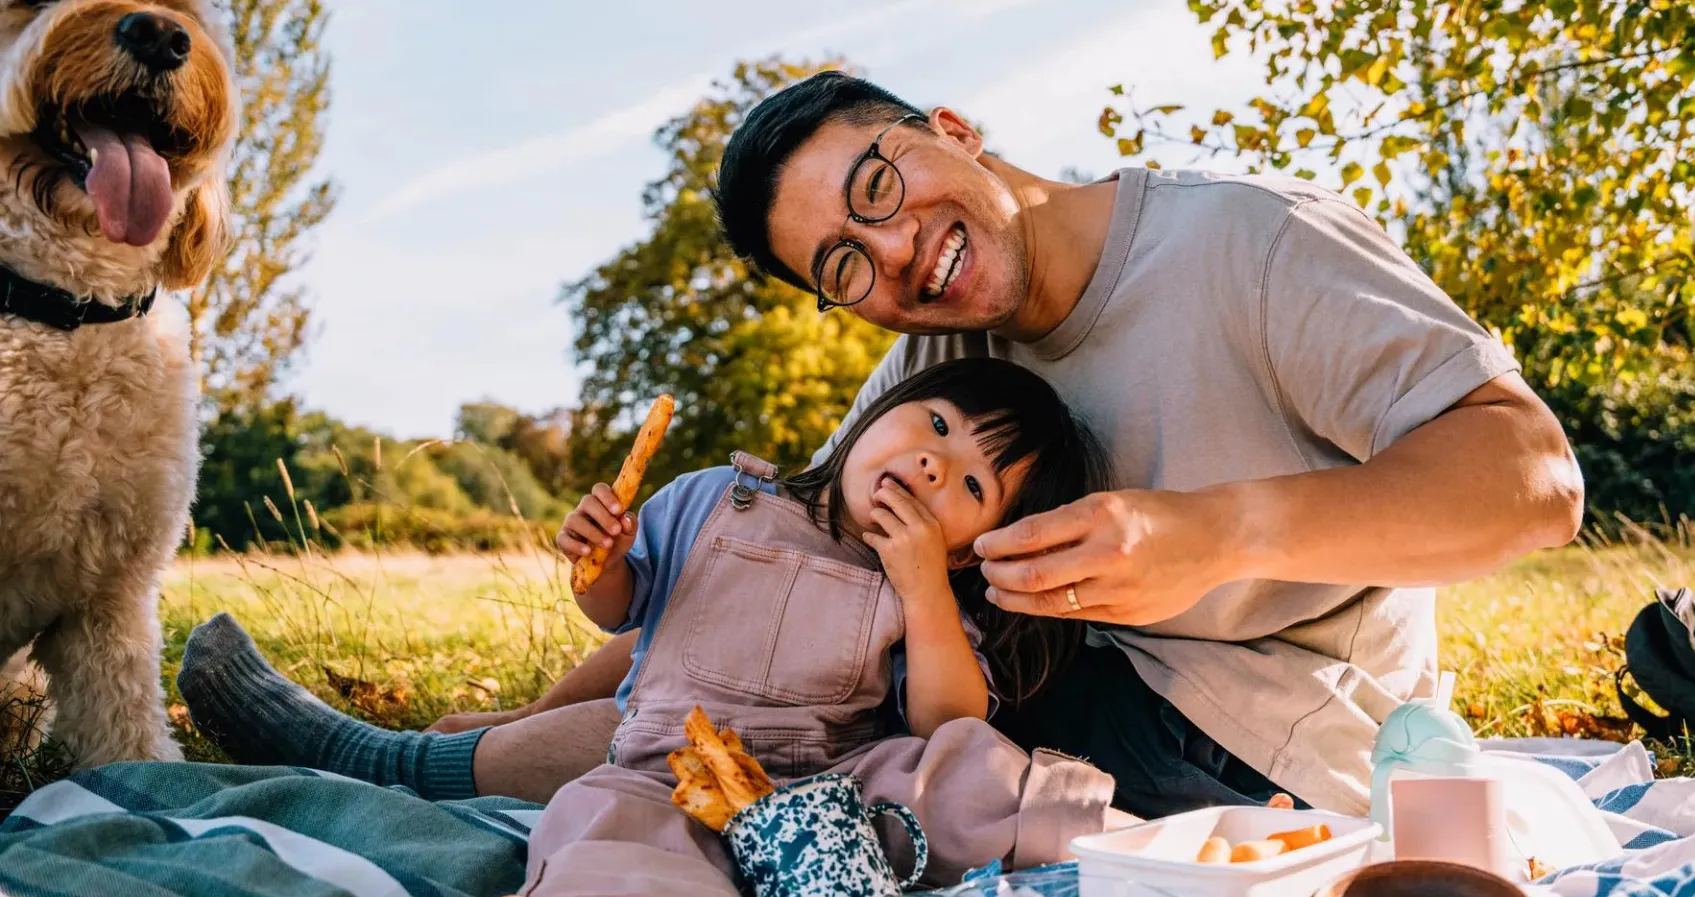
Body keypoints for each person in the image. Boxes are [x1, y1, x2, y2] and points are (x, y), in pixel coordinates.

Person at [187, 71, 1585, 819]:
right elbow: (754, 570)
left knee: (807, 719)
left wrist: (1220, 533)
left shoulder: (1245, 244)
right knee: (786, 633)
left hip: (1258, 729)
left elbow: (1530, 483)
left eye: (883, 185)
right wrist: (525, 692)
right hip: (1039, 680)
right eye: (844, 267)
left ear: (954, 130)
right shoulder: (936, 352)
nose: (899, 256)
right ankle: (439, 755)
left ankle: (388, 772)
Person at [183, 359, 1124, 897]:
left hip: (826, 793)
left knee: (976, 767)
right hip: (667, 768)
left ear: (975, 548)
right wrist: (602, 565)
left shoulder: (933, 592)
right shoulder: (723, 497)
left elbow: (942, 725)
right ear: (875, 413)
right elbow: (626, 611)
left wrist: (921, 586)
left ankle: (1136, 853)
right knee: (618, 831)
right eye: (936, 423)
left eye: (971, 484)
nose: (932, 462)